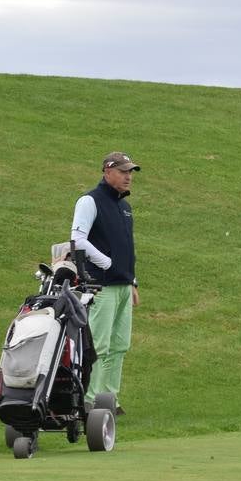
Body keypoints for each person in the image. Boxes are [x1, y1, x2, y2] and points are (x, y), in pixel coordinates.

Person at [71, 151, 141, 415]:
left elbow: (126, 248)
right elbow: (77, 239)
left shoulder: (124, 207)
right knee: (98, 345)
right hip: (100, 286)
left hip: (122, 286)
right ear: (107, 171)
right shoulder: (90, 201)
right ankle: (89, 400)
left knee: (120, 345)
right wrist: (106, 264)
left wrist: (132, 281)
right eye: (123, 171)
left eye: (131, 172)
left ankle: (109, 399)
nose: (128, 176)